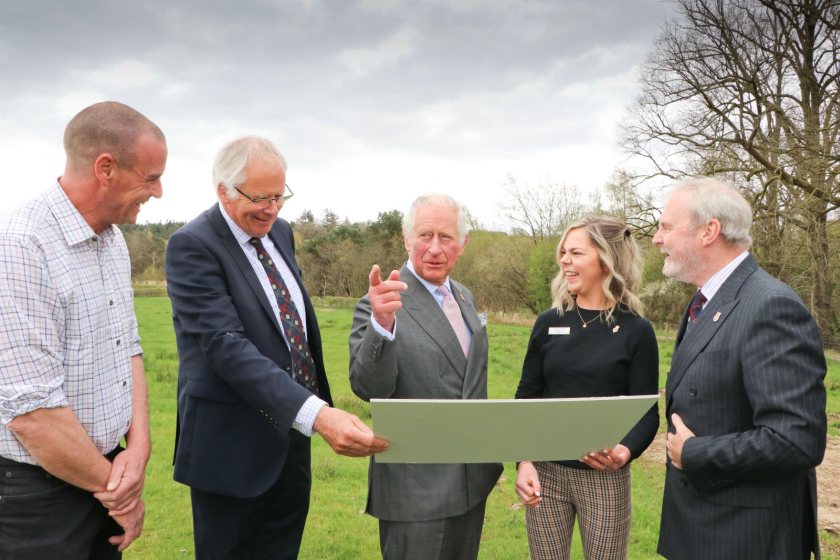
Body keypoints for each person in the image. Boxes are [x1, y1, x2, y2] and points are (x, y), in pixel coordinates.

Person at [165, 136, 388, 560]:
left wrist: (306, 415)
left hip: (290, 438)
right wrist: (318, 413)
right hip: (231, 447)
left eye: (279, 195)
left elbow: (288, 324)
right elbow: (225, 346)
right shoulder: (192, 246)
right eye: (259, 197)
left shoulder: (280, 232)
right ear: (223, 191)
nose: (272, 208)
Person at [0, 101, 166, 558]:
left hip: (101, 475)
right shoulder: (22, 245)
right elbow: (31, 415)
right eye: (150, 177)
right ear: (105, 168)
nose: (158, 191)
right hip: (39, 497)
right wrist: (120, 494)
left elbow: (127, 347)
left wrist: (138, 447)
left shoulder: (112, 242)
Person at [653, 177, 827, 560]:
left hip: (745, 538)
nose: (656, 238)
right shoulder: (706, 300)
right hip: (703, 528)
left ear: (708, 231)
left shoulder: (770, 306)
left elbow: (797, 439)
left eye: (666, 226)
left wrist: (696, 453)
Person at [349, 193, 503, 560]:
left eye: (446, 237)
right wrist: (382, 326)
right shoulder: (382, 303)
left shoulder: (465, 296)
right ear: (406, 240)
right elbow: (368, 388)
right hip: (416, 490)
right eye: (425, 235)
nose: (435, 248)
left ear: (462, 244)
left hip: (470, 480)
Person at [514, 215, 659, 559]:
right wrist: (523, 461)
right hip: (545, 472)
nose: (564, 260)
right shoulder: (549, 322)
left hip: (604, 477)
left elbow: (647, 414)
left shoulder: (637, 331)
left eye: (576, 253)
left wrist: (624, 452)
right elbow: (525, 399)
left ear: (606, 260)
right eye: (563, 252)